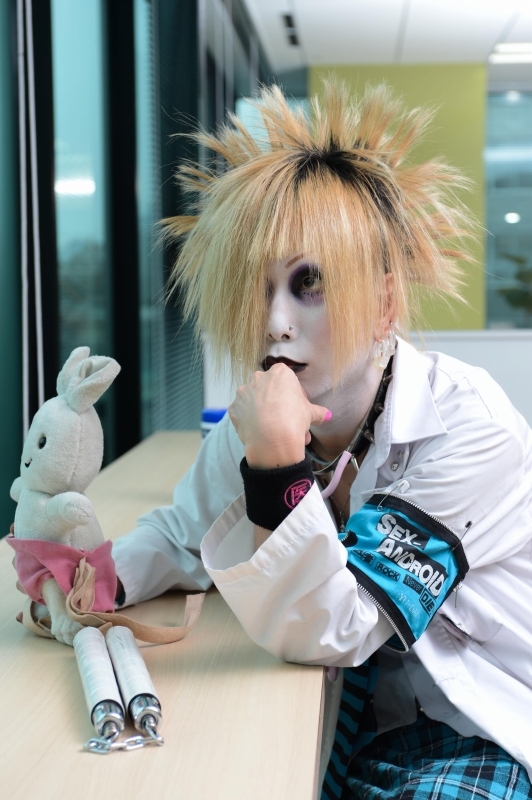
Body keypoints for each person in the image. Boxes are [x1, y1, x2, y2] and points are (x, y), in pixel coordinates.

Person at [112, 82, 532, 799]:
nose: (275, 322)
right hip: (346, 723)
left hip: (470, 727)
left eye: (310, 284)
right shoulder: (264, 420)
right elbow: (184, 533)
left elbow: (340, 627)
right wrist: (99, 575)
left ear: (385, 303)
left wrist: (277, 468)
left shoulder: (471, 431)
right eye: (258, 287)